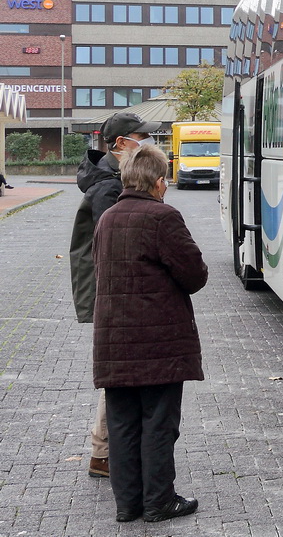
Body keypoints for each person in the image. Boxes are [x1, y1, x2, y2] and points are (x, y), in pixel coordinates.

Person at [93, 143, 207, 523]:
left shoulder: (107, 217)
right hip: (158, 341)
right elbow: (194, 275)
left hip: (113, 338)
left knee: (122, 423)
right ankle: (159, 501)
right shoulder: (163, 218)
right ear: (159, 182)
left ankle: (128, 504)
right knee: (158, 422)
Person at [68, 110, 160, 480]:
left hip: (110, 290)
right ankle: (104, 453)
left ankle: (106, 451)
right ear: (122, 143)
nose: (147, 143)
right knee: (121, 374)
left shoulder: (109, 178)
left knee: (121, 371)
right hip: (113, 292)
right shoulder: (109, 186)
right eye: (142, 137)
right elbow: (120, 243)